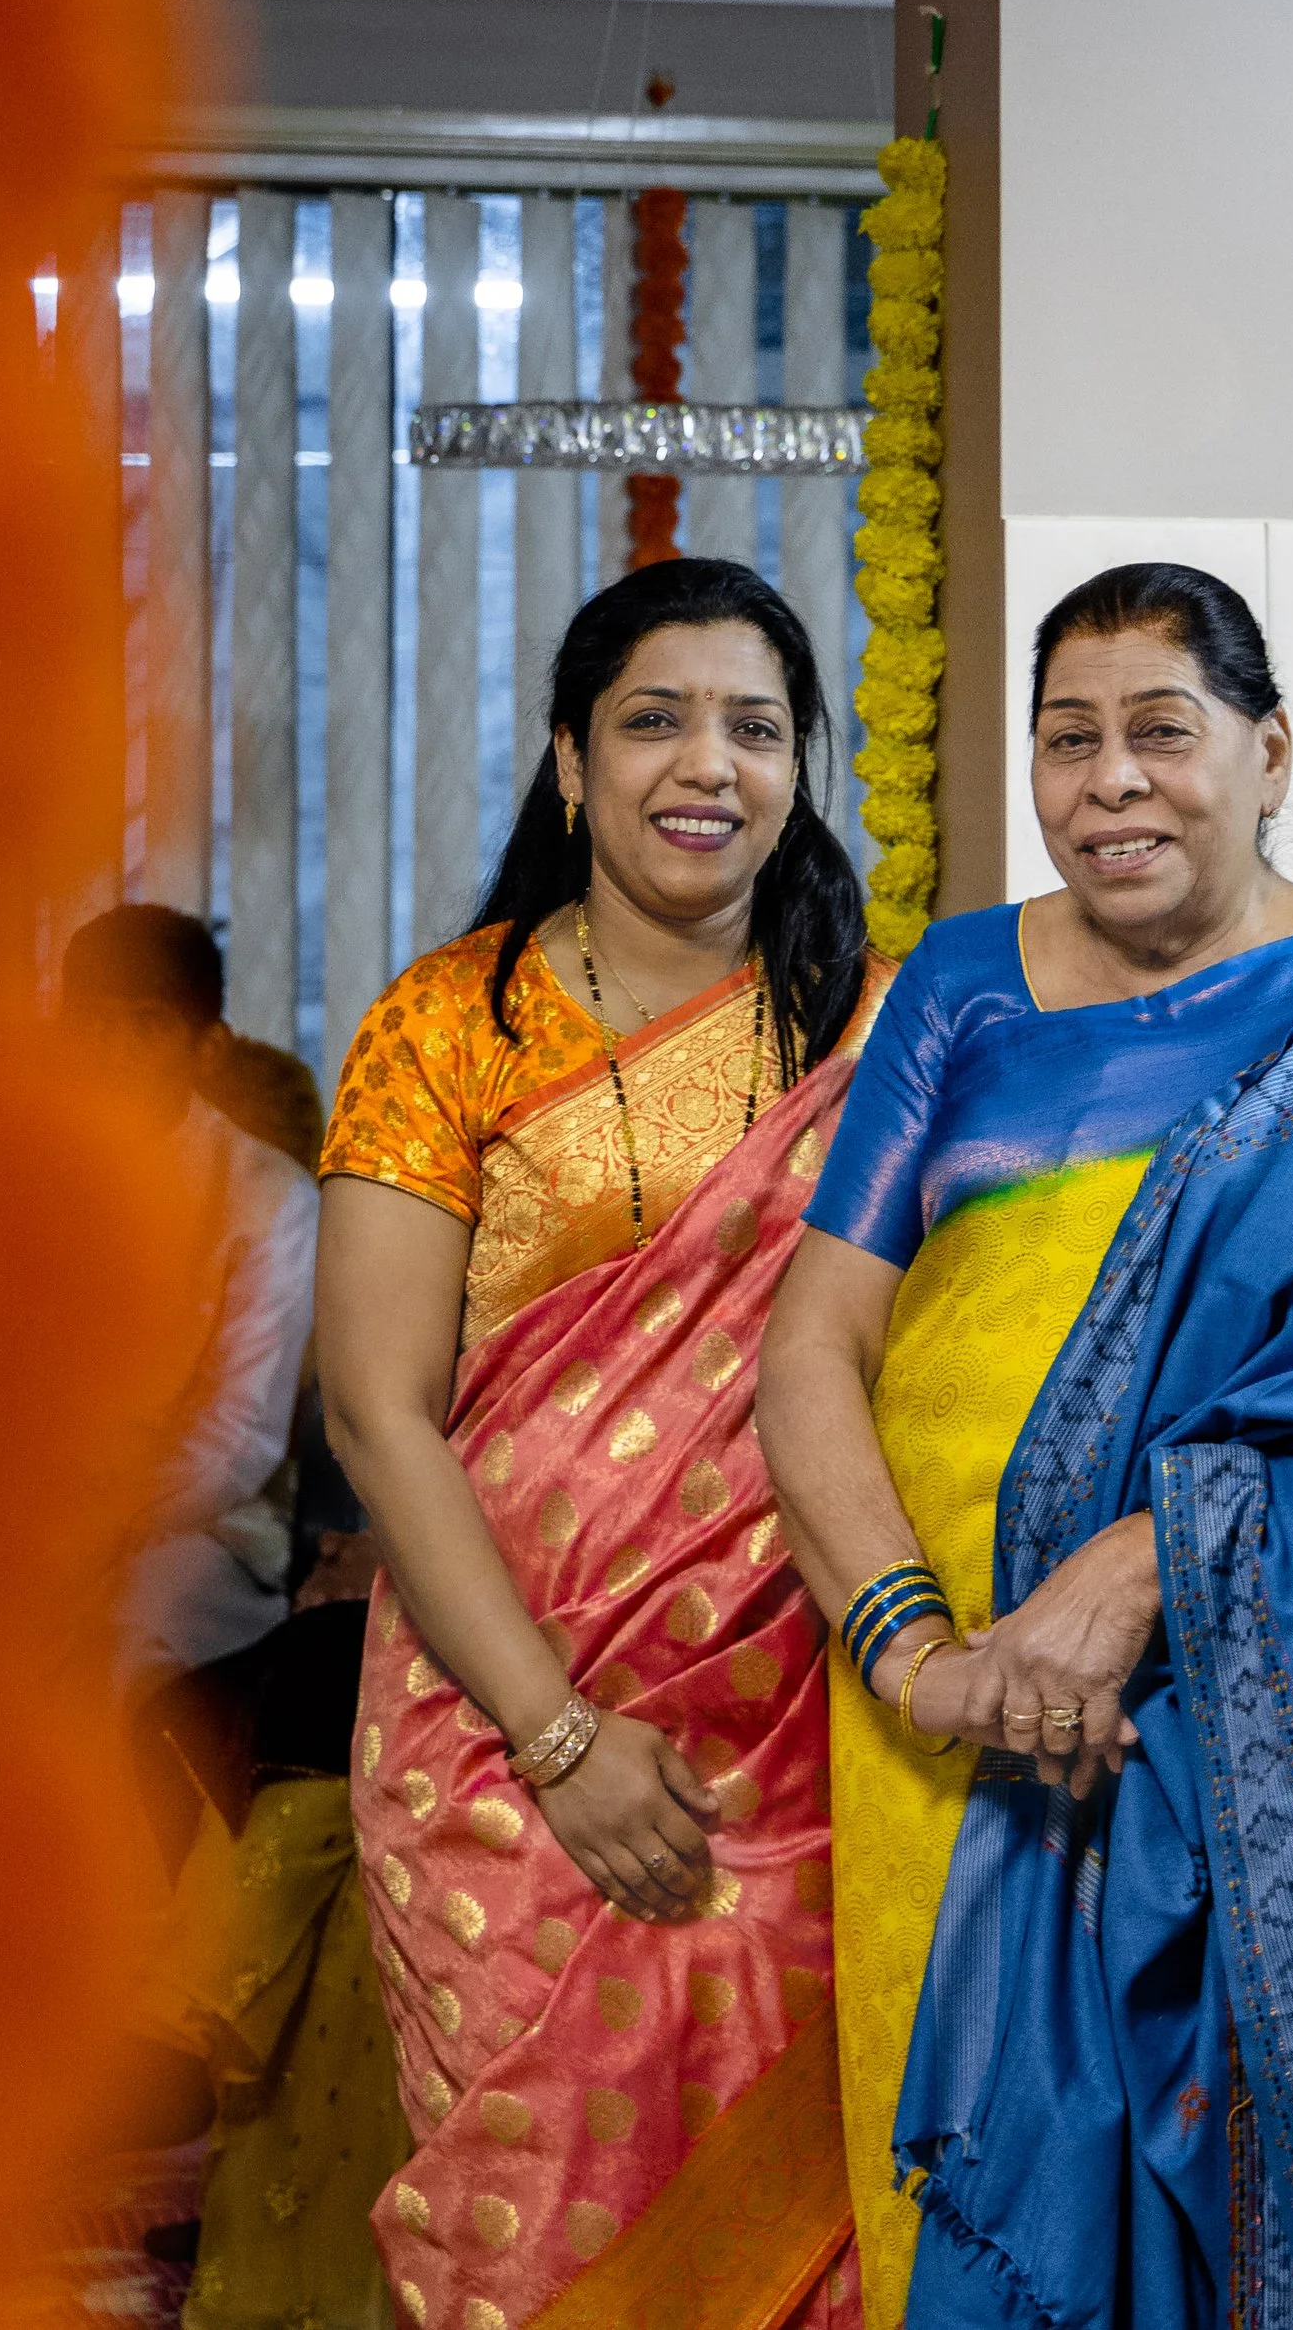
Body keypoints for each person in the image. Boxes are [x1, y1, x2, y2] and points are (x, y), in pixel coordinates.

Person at [756, 562, 1293, 2330]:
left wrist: (1150, 1567)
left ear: (1268, 751)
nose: (1110, 783)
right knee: (963, 2202)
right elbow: (813, 1342)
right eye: (1069, 743)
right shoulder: (964, 987)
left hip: (1264, 1705)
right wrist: (915, 1650)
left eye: (1161, 733)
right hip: (950, 1728)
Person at [316, 557, 889, 2330]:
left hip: (797, 1740)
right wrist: (558, 1739)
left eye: (754, 726)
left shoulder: (884, 1029)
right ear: (571, 763)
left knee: (799, 2236)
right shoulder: (446, 1029)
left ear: (800, 772)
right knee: (541, 2234)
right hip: (497, 1738)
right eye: (654, 720)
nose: (704, 764)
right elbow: (371, 1408)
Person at [63, 901, 321, 1683]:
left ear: (208, 1049)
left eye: (142, 1024)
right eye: (89, 1024)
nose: (108, 1052)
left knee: (122, 1645)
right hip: (17, 1517)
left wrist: (105, 1519)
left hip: (199, 1527)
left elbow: (239, 1436)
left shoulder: (268, 1197)